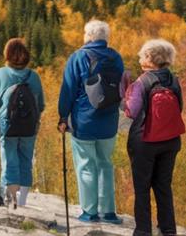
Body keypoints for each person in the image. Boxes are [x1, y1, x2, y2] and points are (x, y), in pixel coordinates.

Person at [57, 19, 125, 225]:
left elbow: (68, 90)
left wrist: (62, 117)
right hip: (110, 121)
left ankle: (89, 212)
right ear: (105, 38)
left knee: (86, 165)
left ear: (88, 36)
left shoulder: (78, 57)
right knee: (105, 164)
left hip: (84, 121)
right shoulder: (116, 58)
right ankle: (109, 212)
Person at [124, 39, 184, 236]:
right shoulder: (173, 80)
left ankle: (143, 231)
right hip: (170, 140)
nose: (140, 58)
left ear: (150, 58)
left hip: (145, 141)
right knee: (163, 186)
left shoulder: (142, 82)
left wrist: (125, 95)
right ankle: (168, 230)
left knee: (142, 188)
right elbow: (179, 108)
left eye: (142, 55)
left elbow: (131, 112)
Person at [0, 38, 45, 209]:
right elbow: (41, 105)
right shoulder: (33, 76)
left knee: (9, 161)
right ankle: (22, 201)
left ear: (7, 55)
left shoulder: (0, 74)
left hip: (7, 127)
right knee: (26, 161)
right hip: (29, 128)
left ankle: (11, 201)